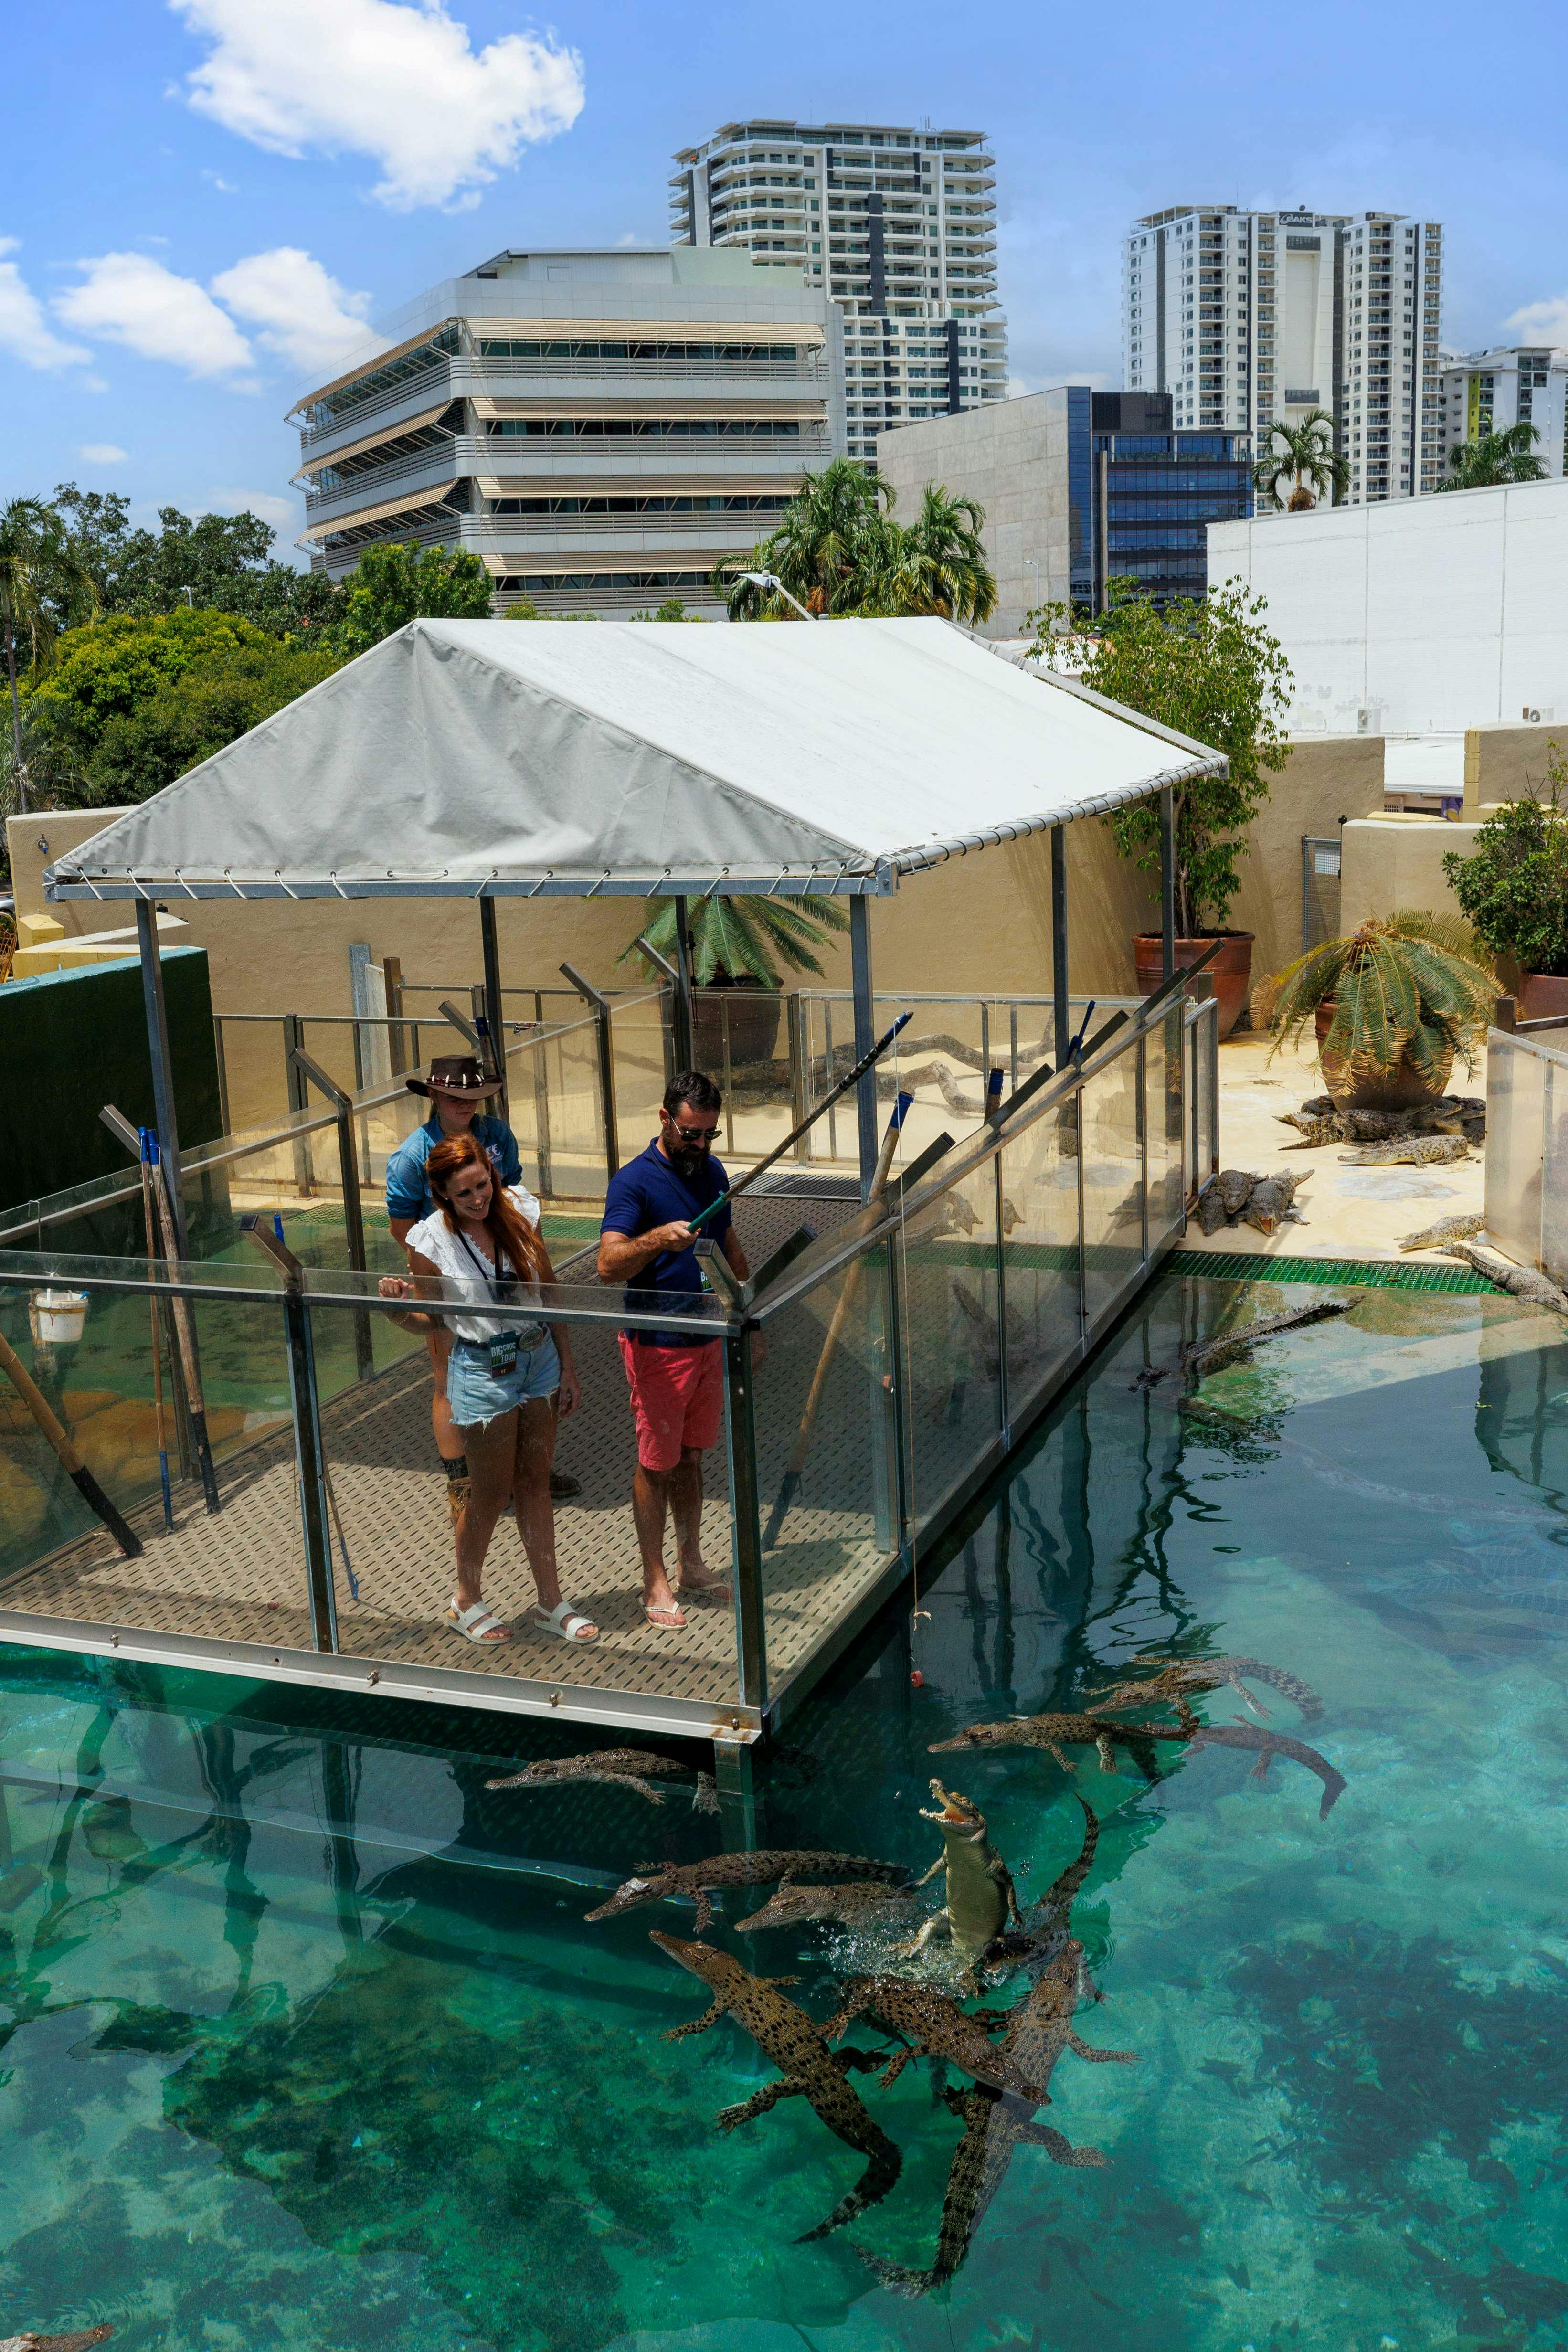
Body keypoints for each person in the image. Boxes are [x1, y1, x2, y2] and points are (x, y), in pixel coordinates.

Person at [379, 1131, 595, 1646]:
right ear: (443, 1199)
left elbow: (548, 1291)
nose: (479, 1200)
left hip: (537, 1357)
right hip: (481, 1370)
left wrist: (567, 1364)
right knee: (491, 1491)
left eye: (483, 1185)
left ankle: (550, 1601)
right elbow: (429, 1321)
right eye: (465, 1194)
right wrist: (392, 1308)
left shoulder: (519, 1208)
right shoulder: (431, 1241)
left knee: (535, 1483)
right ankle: (465, 1599)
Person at [385, 1052, 578, 1507]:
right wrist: (441, 1269)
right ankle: (462, 1483)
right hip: (452, 1278)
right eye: (454, 1096)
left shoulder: (497, 1135)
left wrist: (526, 1262)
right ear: (434, 1096)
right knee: (445, 1377)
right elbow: (401, 1226)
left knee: (526, 1359)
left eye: (473, 1096)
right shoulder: (412, 1155)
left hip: (505, 1270)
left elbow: (515, 1202)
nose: (464, 1105)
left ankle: (529, 1471)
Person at [598, 1070, 749, 1631]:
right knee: (656, 1464)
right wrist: (659, 1237)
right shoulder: (633, 1182)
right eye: (691, 1133)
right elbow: (607, 1264)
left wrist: (746, 1311)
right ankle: (653, 1576)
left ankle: (691, 1562)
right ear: (665, 1120)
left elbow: (729, 1245)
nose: (701, 1145)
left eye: (709, 1133)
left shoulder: (711, 1170)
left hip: (707, 1336)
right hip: (657, 1345)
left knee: (691, 1457)